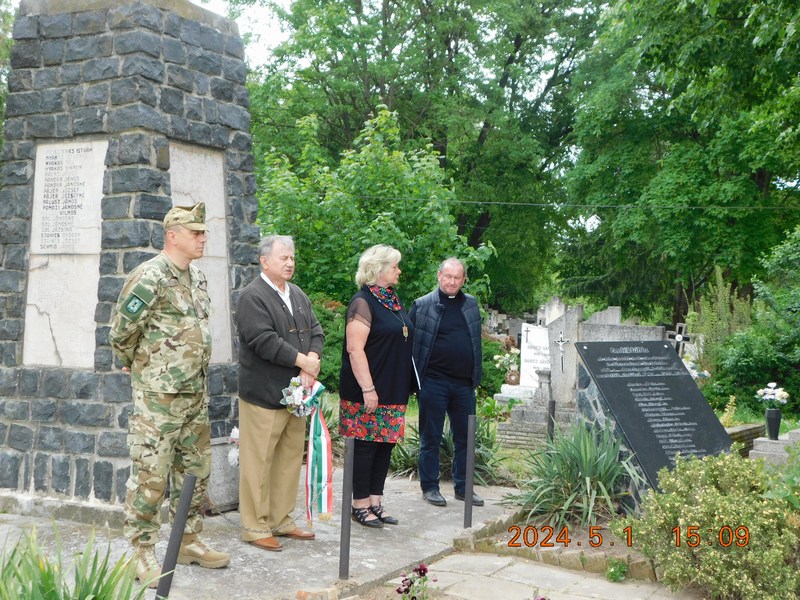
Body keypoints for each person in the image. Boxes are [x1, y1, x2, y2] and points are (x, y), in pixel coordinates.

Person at [109, 202, 230, 588]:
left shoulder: (197, 277)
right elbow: (121, 333)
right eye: (195, 233)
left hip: (195, 394)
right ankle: (141, 551)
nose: (203, 238)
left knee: (195, 471)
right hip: (158, 399)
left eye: (204, 232)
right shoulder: (149, 276)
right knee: (151, 475)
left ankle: (187, 540)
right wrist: (139, 366)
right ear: (172, 236)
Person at [236, 235, 324, 551]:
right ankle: (254, 526)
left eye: (292, 258)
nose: (290, 263)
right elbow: (263, 340)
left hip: (296, 394)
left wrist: (311, 362)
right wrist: (303, 362)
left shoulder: (297, 294)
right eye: (283, 258)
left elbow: (316, 331)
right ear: (264, 261)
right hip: (263, 394)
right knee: (258, 462)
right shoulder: (252, 296)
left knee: (289, 459)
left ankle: (281, 519)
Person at [339, 245, 416, 528]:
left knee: (384, 447)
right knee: (366, 447)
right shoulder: (362, 302)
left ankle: (375, 502)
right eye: (394, 266)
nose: (399, 271)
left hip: (393, 388)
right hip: (367, 390)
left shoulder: (392, 300)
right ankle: (359, 505)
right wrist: (368, 389)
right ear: (378, 268)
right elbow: (354, 349)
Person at [409, 257, 484, 507]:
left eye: (457, 278)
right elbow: (410, 345)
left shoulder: (471, 305)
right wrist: (414, 381)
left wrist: (475, 375)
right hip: (433, 382)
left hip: (464, 384)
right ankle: (430, 487)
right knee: (430, 437)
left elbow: (476, 342)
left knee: (466, 438)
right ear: (439, 276)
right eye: (448, 276)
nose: (452, 282)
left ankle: (463, 488)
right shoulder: (422, 306)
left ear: (463, 280)